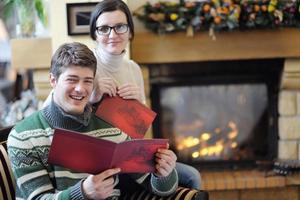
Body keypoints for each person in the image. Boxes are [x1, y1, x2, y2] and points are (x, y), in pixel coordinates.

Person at [7, 42, 178, 200]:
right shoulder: (24, 136)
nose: (81, 89)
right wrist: (82, 193)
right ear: (53, 80)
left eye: (87, 81)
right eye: (72, 79)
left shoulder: (112, 127)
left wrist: (164, 173)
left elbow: (159, 188)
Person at [89, 0, 201, 189]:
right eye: (104, 29)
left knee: (191, 176)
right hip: (99, 162)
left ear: (130, 32)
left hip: (130, 157)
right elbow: (59, 114)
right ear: (94, 34)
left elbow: (139, 130)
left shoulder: (133, 69)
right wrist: (93, 97)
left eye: (120, 27)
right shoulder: (86, 67)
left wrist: (137, 103)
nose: (112, 34)